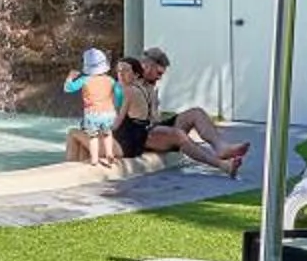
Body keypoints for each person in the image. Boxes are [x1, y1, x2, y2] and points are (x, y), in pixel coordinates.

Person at [119, 46, 249, 175]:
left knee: (196, 113)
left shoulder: (150, 86)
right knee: (178, 135)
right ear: (146, 67)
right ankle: (223, 165)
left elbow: (154, 117)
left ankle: (221, 147)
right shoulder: (129, 84)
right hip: (137, 135)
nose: (160, 78)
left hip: (152, 128)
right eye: (158, 73)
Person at [62, 46, 122, 165]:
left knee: (92, 137)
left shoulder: (84, 80)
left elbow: (68, 88)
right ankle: (109, 154)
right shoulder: (110, 80)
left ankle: (94, 159)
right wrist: (116, 106)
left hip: (92, 114)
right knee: (107, 134)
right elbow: (119, 95)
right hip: (108, 113)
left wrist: (70, 78)